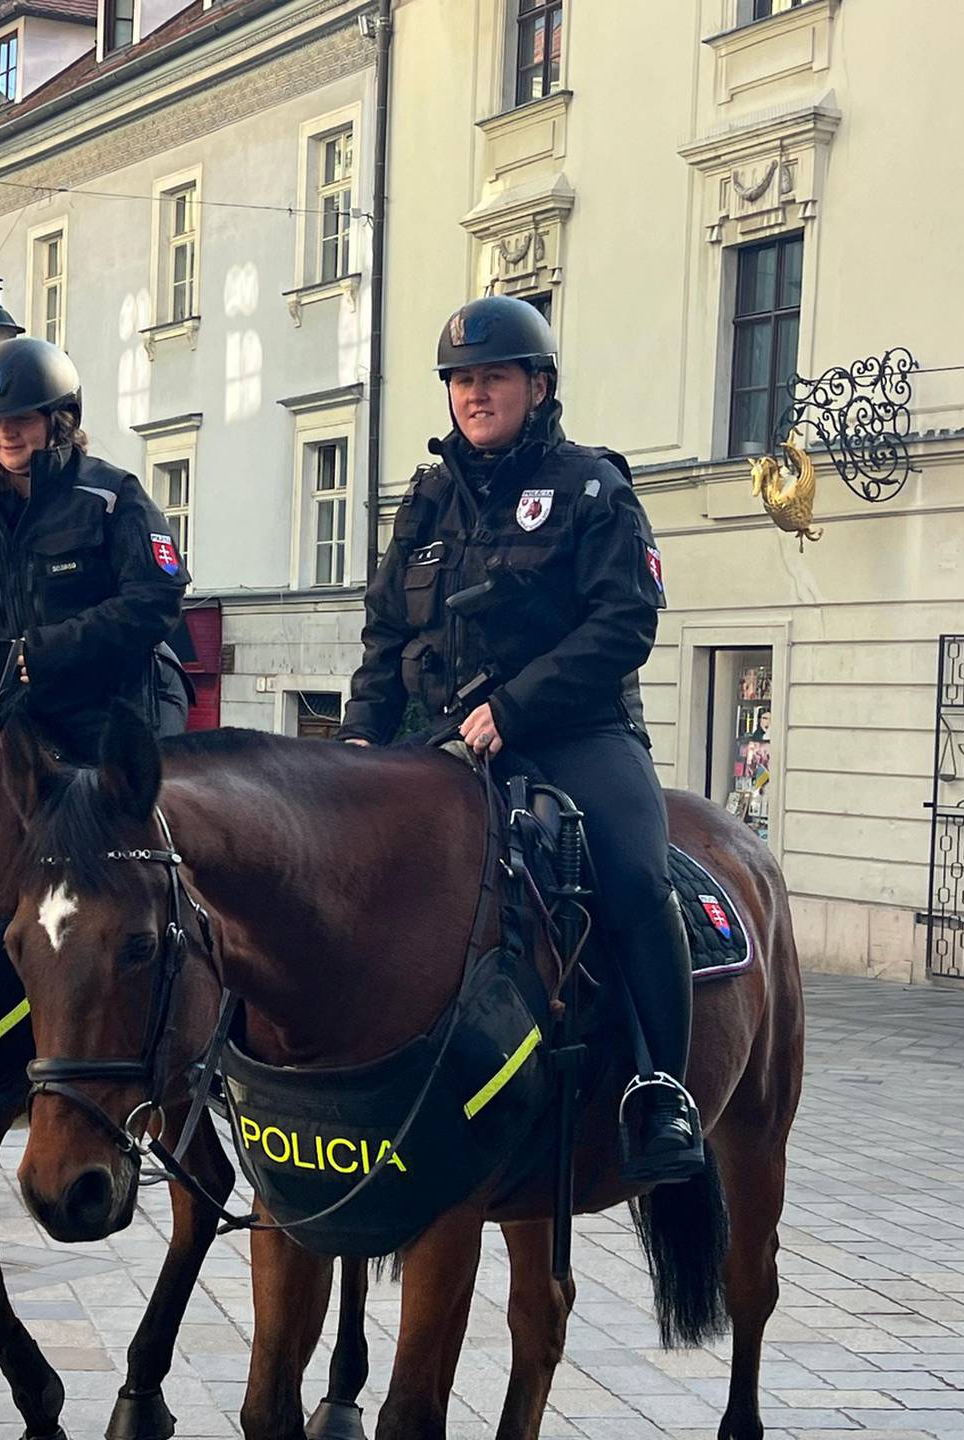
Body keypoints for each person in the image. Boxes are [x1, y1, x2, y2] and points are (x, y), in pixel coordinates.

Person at [335, 294, 701, 1184]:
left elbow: (626, 622)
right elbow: (385, 637)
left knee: (636, 874)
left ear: (538, 386)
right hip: (437, 743)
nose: (475, 393)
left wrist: (518, 708)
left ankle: (661, 1087)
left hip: (576, 735)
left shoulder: (590, 487)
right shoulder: (424, 503)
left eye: (493, 376)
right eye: (461, 380)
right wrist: (354, 743)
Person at [0, 336, 192, 765]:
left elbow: (155, 599)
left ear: (58, 421)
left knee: (108, 823)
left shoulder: (114, 497)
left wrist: (46, 652)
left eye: (20, 419)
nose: (4, 433)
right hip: (15, 712)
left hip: (117, 709)